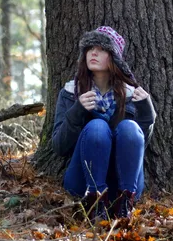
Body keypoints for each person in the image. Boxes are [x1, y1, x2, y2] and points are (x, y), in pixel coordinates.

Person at [51, 26, 156, 222]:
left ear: (114, 57)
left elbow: (139, 143)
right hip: (83, 182)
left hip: (124, 183)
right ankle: (95, 203)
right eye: (90, 48)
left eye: (101, 48)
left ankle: (125, 204)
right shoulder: (71, 92)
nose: (93, 52)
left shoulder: (131, 94)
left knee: (129, 127)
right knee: (97, 127)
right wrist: (78, 110)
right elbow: (59, 146)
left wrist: (147, 114)